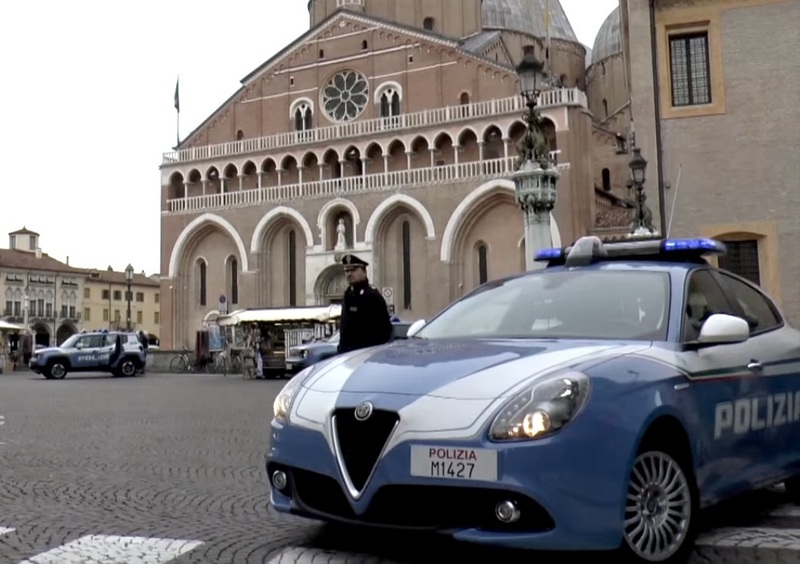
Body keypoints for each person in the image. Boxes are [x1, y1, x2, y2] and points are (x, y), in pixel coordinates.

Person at [337, 254, 392, 354]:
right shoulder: (348, 294)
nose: (349, 274)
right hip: (346, 354)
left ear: (364, 272)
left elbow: (384, 330)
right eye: (347, 271)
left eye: (353, 270)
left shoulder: (372, 296)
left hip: (365, 354)